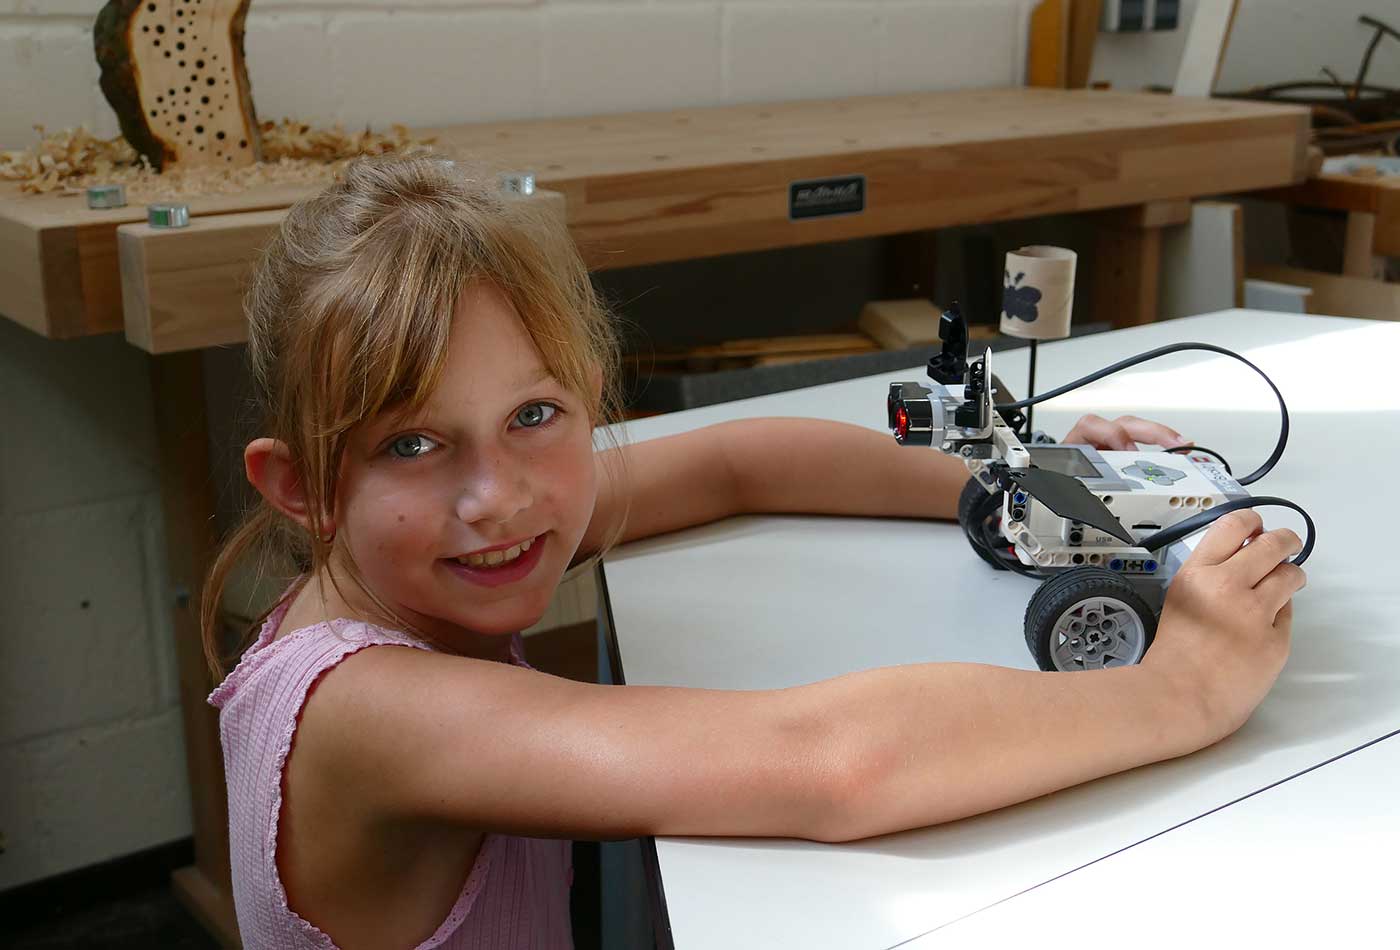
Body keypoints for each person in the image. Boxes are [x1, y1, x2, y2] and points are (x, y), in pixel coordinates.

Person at [203, 157, 1306, 950]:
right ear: (301, 485)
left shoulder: (445, 534)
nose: (495, 494)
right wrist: (1180, 689)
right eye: (412, 441)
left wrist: (1015, 482)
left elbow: (740, 460)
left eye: (534, 415)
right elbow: (833, 762)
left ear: (583, 404)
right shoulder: (365, 707)